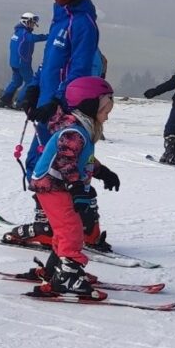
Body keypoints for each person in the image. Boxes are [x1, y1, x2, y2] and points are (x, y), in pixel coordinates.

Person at [17, 0, 100, 228]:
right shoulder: (60, 18)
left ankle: (64, 222)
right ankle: (53, 218)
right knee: (37, 162)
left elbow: (78, 70)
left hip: (60, 109)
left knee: (53, 165)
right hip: (45, 104)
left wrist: (56, 101)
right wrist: (32, 89)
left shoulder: (83, 24)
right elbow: (49, 63)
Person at [22, 76, 120, 299]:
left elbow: (82, 160)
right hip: (53, 187)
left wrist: (103, 172)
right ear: (89, 106)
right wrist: (76, 188)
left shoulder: (80, 130)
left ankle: (55, 270)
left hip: (56, 186)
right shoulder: (73, 133)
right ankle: (67, 277)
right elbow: (66, 163)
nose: (107, 116)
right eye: (105, 110)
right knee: (71, 231)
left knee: (65, 230)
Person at [0, 12, 47, 109]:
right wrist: (49, 36)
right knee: (30, 81)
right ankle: (20, 102)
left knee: (16, 81)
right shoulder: (24, 34)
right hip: (22, 63)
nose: (33, 25)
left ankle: (4, 100)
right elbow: (34, 38)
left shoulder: (18, 32)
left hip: (15, 62)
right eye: (32, 23)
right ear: (25, 22)